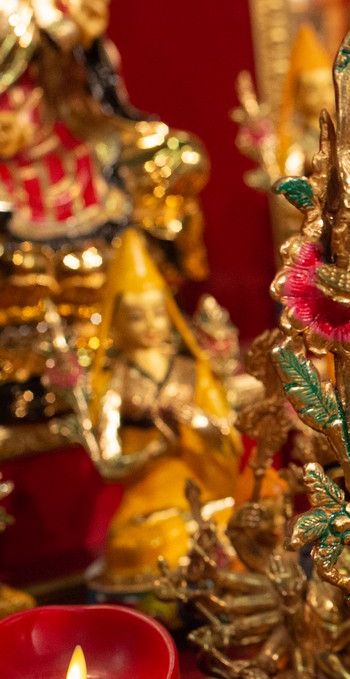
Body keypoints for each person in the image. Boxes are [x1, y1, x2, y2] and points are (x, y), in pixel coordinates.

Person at [86, 230, 241, 594]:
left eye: (158, 313)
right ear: (117, 322)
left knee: (231, 525)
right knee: (140, 546)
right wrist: (153, 451)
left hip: (202, 491)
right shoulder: (114, 384)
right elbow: (109, 463)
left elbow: (227, 435)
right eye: (137, 317)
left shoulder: (192, 371)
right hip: (148, 502)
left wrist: (196, 421)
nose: (152, 325)